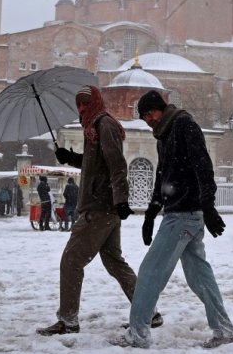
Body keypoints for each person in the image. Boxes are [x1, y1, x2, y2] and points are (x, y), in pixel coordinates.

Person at [113, 89, 233, 349]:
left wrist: (209, 206)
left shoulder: (184, 125)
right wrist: (150, 213)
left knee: (150, 272)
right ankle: (224, 329)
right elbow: (162, 176)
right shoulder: (164, 133)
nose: (148, 119)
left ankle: (138, 333)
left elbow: (204, 166)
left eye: (150, 113)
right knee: (199, 277)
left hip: (184, 215)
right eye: (144, 116)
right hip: (181, 213)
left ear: (161, 108)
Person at [37, 85, 161, 335]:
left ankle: (68, 320)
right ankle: (149, 313)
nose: (81, 108)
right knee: (114, 262)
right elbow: (95, 162)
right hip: (103, 206)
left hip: (100, 208)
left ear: (95, 102)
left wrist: (121, 199)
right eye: (78, 104)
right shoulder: (93, 127)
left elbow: (117, 164)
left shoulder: (104, 125)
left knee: (71, 261)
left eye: (85, 103)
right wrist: (69, 157)